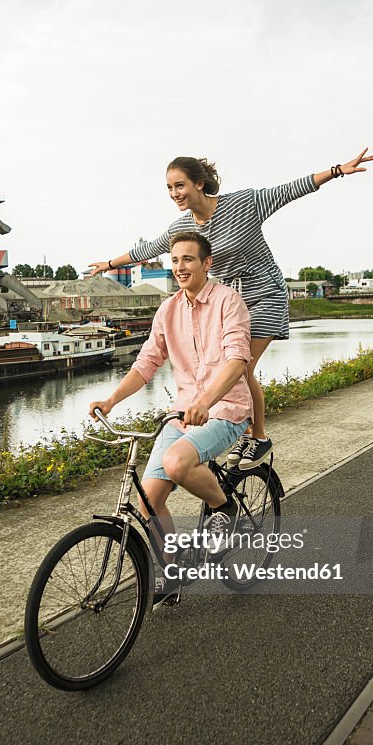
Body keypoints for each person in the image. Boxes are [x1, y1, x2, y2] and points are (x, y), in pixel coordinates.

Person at [88, 149, 373, 470]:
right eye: (169, 188)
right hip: (227, 303)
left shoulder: (243, 204)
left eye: (179, 186)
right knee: (223, 366)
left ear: (199, 184)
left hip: (266, 293)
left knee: (242, 366)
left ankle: (259, 437)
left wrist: (336, 170)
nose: (174, 194)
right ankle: (230, 429)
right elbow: (148, 248)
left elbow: (291, 190)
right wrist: (110, 263)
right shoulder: (182, 227)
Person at [88, 230, 252, 563]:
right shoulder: (168, 310)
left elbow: (237, 361)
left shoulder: (227, 301)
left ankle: (224, 506)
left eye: (188, 259)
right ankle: (176, 569)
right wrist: (111, 401)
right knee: (148, 499)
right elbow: (146, 363)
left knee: (176, 463)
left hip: (225, 409)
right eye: (175, 260)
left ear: (207, 263)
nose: (180, 267)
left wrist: (206, 402)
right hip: (182, 414)